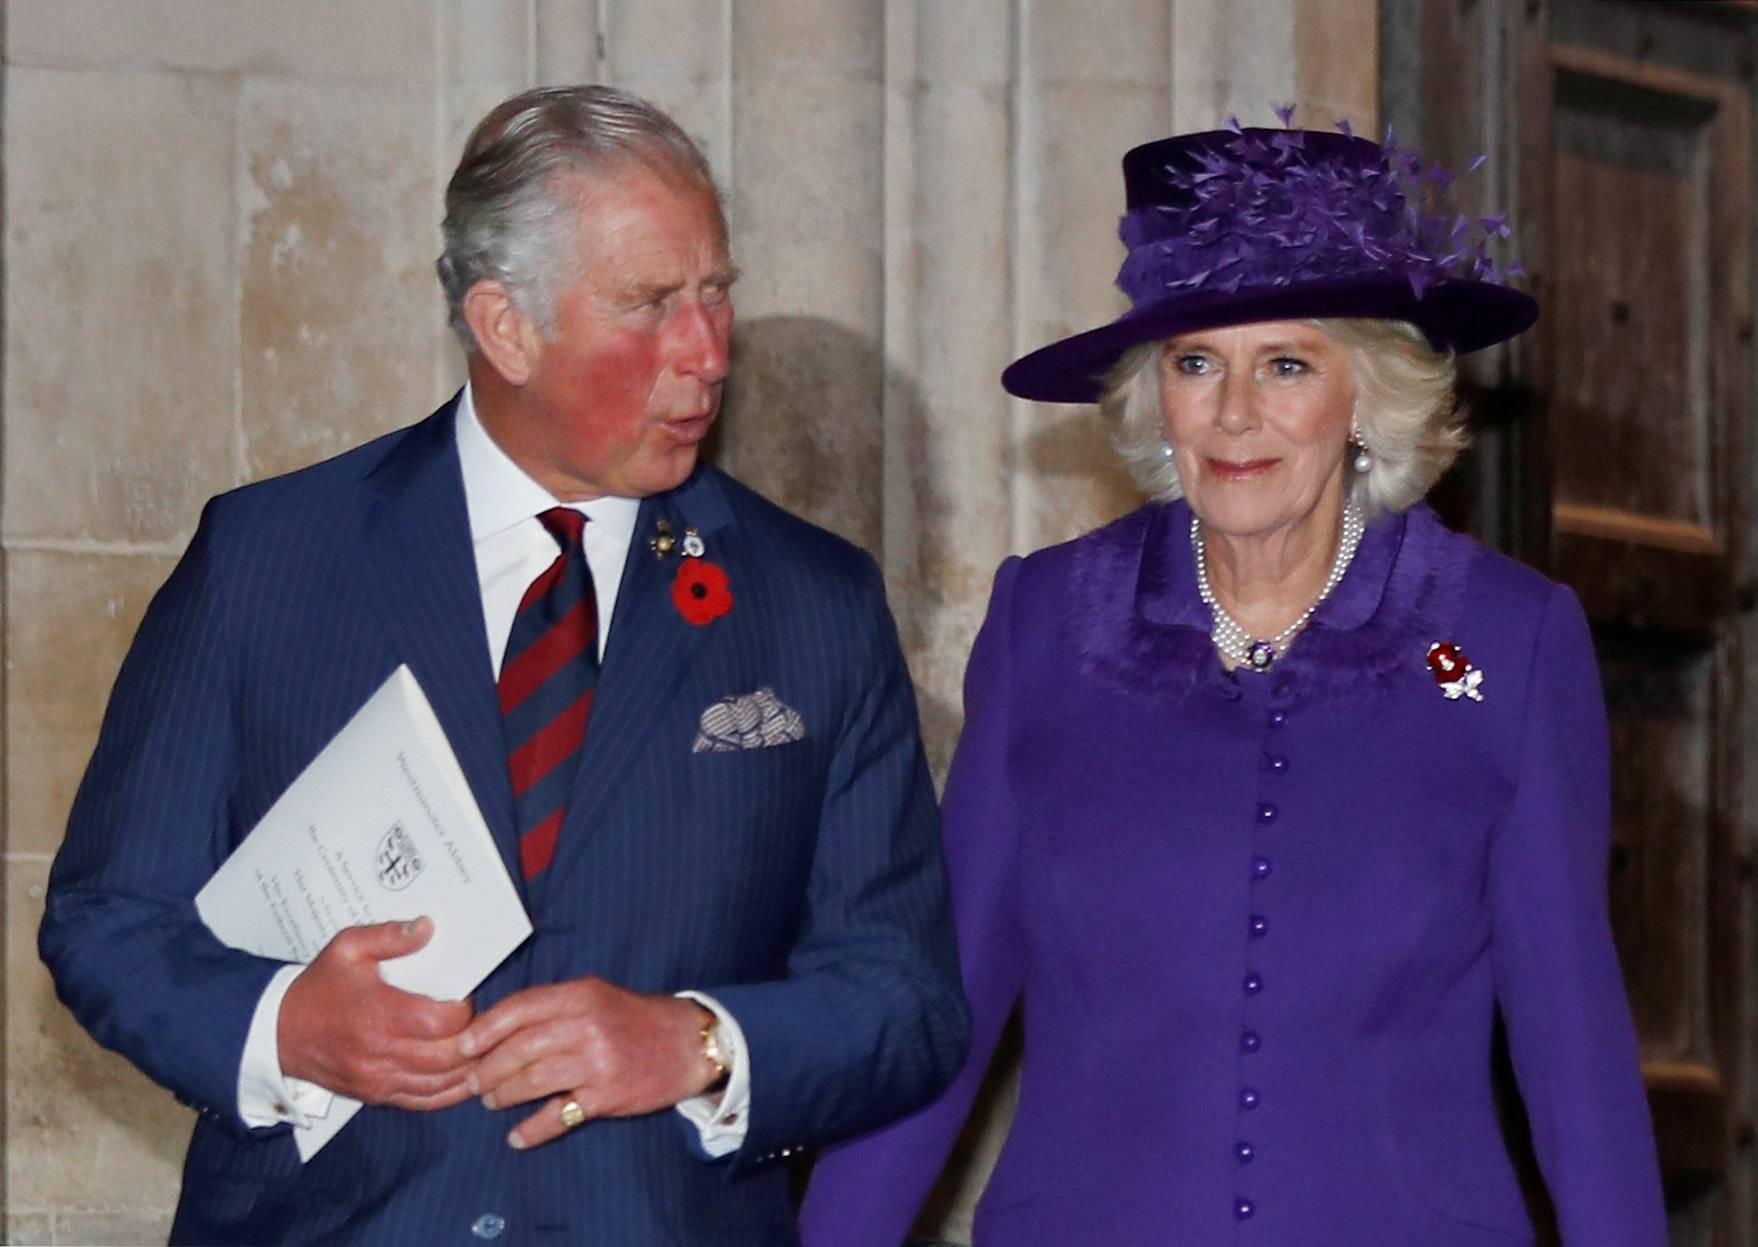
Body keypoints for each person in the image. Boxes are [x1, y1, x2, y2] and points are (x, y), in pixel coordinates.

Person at [40, 84, 967, 1245]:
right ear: (505, 326)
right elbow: (108, 917)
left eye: (716, 292)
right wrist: (285, 1026)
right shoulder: (268, 559)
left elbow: (908, 998)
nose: (709, 350)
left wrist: (699, 1041)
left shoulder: (814, 603)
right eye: (650, 304)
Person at [799, 121, 1666, 1245]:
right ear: (1153, 391)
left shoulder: (1499, 644)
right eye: (1196, 361)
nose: (1234, 412)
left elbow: (1573, 1051)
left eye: (1288, 363)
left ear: (1369, 391)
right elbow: (942, 1006)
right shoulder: (1048, 625)